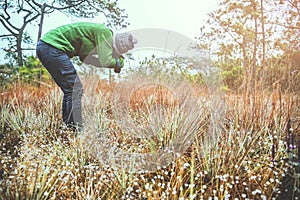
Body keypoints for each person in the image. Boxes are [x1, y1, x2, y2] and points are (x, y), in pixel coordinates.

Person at [36, 22, 137, 132]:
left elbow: (85, 59)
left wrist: (114, 61)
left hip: (46, 47)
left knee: (71, 90)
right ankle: (76, 130)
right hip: (53, 47)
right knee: (75, 89)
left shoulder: (96, 42)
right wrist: (119, 62)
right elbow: (105, 60)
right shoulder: (106, 33)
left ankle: (68, 129)